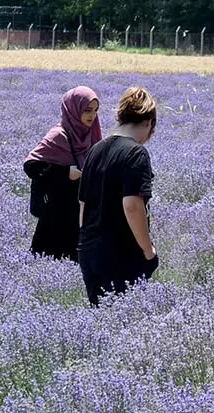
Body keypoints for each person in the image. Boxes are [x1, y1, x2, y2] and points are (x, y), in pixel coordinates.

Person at [78, 87, 159, 306]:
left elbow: (83, 205)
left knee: (102, 321)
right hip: (121, 253)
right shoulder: (136, 153)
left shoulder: (96, 149)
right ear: (148, 123)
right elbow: (132, 205)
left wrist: (86, 245)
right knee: (126, 324)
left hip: (90, 250)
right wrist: (148, 250)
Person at [24, 86, 102, 261]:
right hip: (56, 218)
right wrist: (65, 173)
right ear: (73, 109)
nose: (92, 116)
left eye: (95, 111)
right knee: (47, 264)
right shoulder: (58, 135)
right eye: (87, 110)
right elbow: (31, 166)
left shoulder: (92, 134)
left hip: (83, 216)